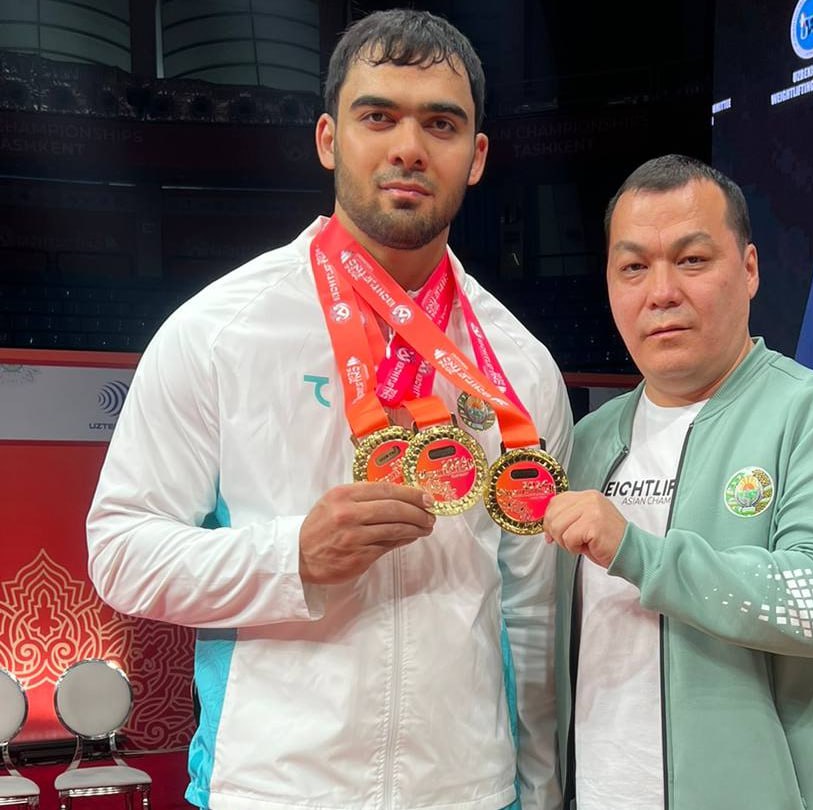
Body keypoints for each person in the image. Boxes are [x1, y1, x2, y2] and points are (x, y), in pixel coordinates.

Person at [86, 10, 571, 810]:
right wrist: (293, 557)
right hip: (273, 789)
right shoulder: (220, 331)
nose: (409, 147)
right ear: (327, 139)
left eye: (441, 124)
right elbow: (120, 551)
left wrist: (539, 791)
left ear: (477, 156)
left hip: (467, 791)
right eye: (378, 116)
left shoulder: (520, 365)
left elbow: (532, 607)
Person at [542, 154, 813, 809]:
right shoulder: (587, 442)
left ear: (750, 268)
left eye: (692, 260)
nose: (661, 292)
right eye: (633, 267)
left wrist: (637, 551)